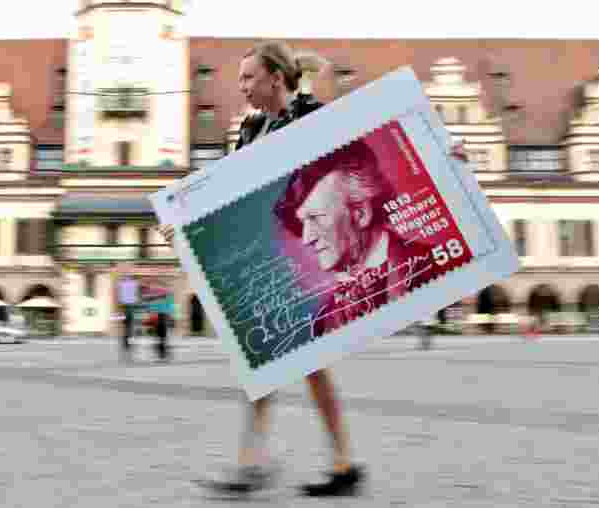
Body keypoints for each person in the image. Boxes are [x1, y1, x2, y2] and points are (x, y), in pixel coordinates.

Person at [159, 41, 468, 498]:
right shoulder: (250, 130)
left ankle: (302, 463)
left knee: (297, 363)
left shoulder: (313, 116)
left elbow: (379, 146)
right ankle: (288, 463)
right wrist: (183, 222)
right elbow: (229, 197)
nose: (241, 86)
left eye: (248, 77)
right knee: (270, 359)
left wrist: (442, 154)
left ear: (275, 79)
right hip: (277, 256)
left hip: (317, 259)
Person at [271, 139, 439, 337]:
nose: (307, 238)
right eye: (303, 222)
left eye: (315, 217)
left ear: (361, 214)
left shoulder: (437, 265)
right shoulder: (325, 318)